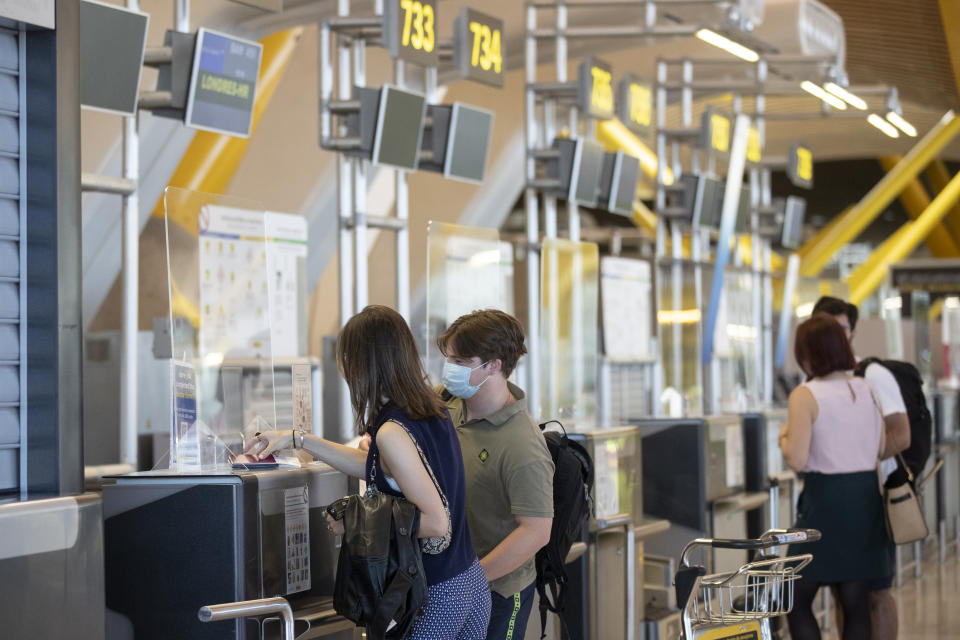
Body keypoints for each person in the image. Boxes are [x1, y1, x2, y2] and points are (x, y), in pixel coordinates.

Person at [246, 305, 491, 639]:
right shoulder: (431, 410)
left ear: (361, 364)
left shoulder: (392, 431)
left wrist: (357, 524)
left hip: (437, 595)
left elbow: (435, 522)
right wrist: (298, 439)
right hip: (468, 583)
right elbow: (384, 471)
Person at [437, 309, 554, 640]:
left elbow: (536, 531)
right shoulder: (446, 401)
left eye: (460, 361)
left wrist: (471, 577)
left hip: (499, 592)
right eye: (449, 359)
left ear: (494, 365)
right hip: (449, 583)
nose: (450, 369)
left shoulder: (522, 443)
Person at [782, 313, 892, 640]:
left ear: (808, 353)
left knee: (795, 597)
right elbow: (881, 446)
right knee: (855, 599)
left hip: (824, 504)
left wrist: (783, 439)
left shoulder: (805, 395)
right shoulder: (866, 388)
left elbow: (798, 460)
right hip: (864, 501)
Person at [812, 296, 910, 640]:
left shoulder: (872, 375)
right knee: (844, 594)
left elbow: (902, 434)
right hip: (834, 503)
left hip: (873, 499)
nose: (835, 335)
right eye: (827, 327)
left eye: (841, 327)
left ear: (851, 332)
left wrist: (859, 459)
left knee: (876, 593)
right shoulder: (815, 384)